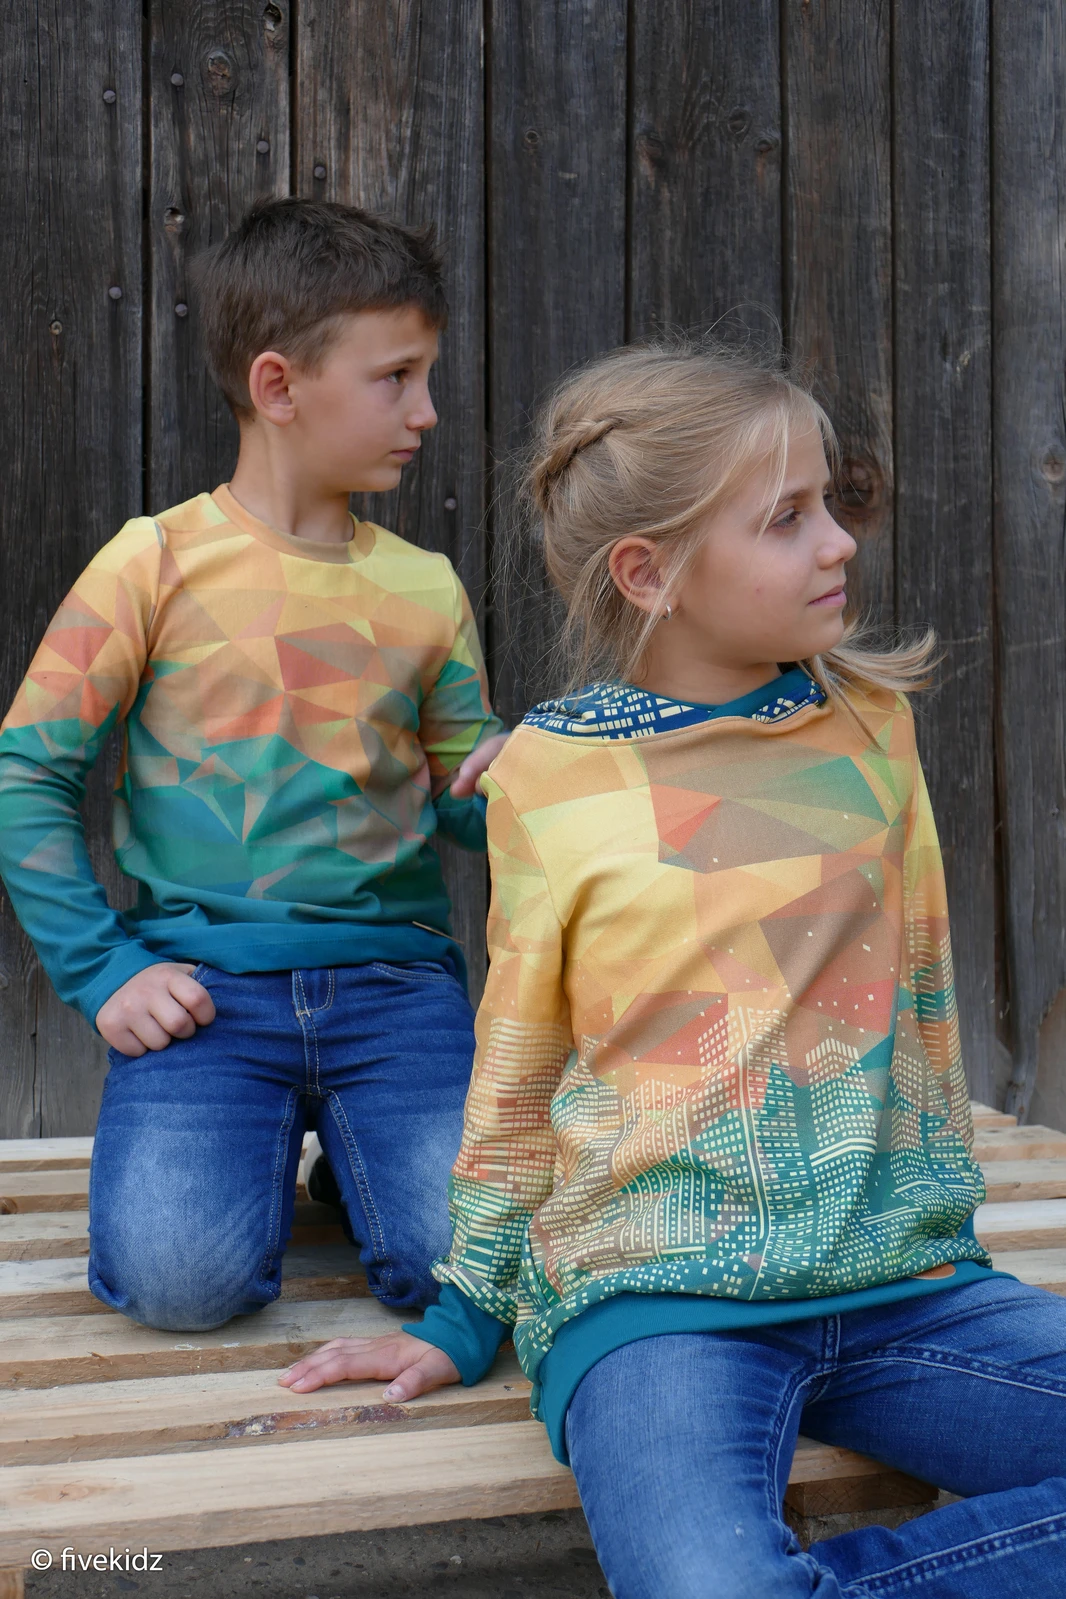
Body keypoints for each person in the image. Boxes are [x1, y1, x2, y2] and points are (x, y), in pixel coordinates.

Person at [280, 342, 1066, 1595]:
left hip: (905, 1289)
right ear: (648, 574)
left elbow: (903, 990)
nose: (839, 542)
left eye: (828, 503)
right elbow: (519, 1067)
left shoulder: (875, 727)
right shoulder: (549, 781)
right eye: (786, 519)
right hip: (656, 1305)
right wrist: (466, 1311)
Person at [0, 198, 507, 1333]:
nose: (427, 410)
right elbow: (25, 770)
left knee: (468, 1268)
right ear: (279, 386)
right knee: (180, 1283)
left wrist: (527, 777)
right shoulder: (150, 564)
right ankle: (284, 1144)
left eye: (426, 376)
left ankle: (349, 1158)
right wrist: (103, 970)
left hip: (396, 991)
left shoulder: (424, 587)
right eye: (396, 377)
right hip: (205, 995)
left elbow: (462, 802)